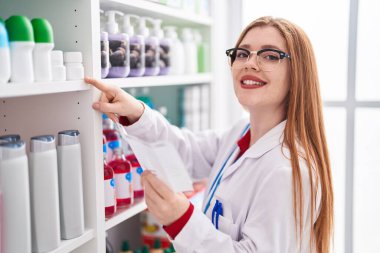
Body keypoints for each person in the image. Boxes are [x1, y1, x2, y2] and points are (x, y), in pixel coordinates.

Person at [86, 16, 333, 253]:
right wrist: (138, 113)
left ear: (297, 73)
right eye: (243, 53)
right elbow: (186, 151)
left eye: (270, 55)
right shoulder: (242, 133)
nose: (250, 63)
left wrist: (180, 220)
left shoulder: (288, 171)